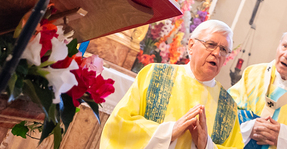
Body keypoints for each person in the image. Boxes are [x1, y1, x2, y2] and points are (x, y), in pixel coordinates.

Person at [101, 19, 244, 149]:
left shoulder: (228, 106)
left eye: (223, 49)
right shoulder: (154, 75)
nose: (217, 53)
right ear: (191, 45)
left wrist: (206, 145)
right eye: (211, 44)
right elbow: (119, 125)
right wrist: (168, 133)